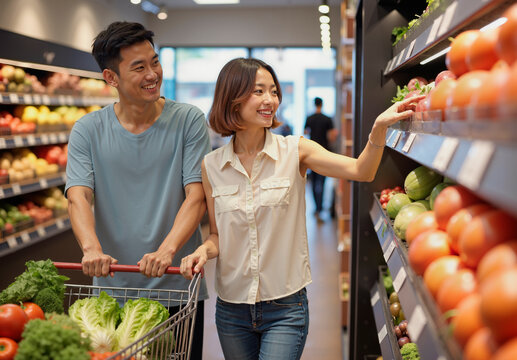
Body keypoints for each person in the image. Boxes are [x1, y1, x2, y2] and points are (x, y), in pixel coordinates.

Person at [179, 57, 424, 360]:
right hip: (231, 310)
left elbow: (362, 170)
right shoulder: (211, 165)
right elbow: (217, 235)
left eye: (274, 91)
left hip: (285, 307)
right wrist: (203, 252)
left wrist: (378, 128)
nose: (270, 100)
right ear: (232, 99)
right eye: (258, 92)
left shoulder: (295, 150)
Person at [65, 22, 210, 360]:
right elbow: (78, 196)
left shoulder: (188, 120)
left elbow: (197, 195)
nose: (152, 74)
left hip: (175, 288)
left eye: (155, 62)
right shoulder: (88, 129)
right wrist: (90, 249)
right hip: (111, 292)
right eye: (139, 67)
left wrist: (167, 251)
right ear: (111, 77)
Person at [304, 97, 338, 222]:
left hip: (311, 154)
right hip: (324, 153)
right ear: (322, 105)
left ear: (314, 104)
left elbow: (305, 132)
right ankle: (320, 207)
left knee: (313, 183)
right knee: (322, 182)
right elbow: (331, 136)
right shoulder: (327, 119)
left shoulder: (310, 118)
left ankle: (317, 208)